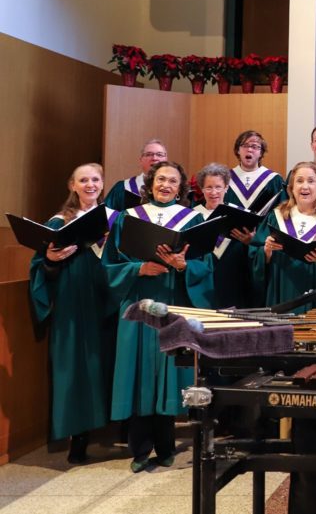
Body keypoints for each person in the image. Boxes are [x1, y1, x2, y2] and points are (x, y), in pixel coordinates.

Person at [103, 161, 215, 472]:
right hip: (138, 302)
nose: (166, 185)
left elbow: (205, 266)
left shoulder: (192, 220)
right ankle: (139, 450)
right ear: (150, 184)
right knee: (138, 371)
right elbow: (109, 265)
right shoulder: (128, 219)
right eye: (161, 179)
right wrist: (138, 268)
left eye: (173, 181)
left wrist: (182, 267)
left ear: (181, 188)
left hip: (173, 304)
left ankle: (165, 447)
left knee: (168, 369)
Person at [29, 163, 118, 463]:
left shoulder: (114, 221)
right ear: (72, 185)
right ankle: (77, 438)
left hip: (105, 301)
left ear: (103, 184)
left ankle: (110, 432)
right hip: (70, 303)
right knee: (72, 368)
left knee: (102, 363)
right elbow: (39, 268)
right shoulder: (57, 223)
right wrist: (51, 260)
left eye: (95, 179)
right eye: (83, 180)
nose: (90, 184)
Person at [250, 162, 316, 310]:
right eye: (299, 181)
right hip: (282, 295)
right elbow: (254, 257)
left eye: (311, 181)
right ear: (291, 188)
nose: (305, 186)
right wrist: (266, 252)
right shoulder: (276, 218)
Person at [193, 162, 256, 308]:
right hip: (203, 279)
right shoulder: (192, 215)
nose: (213, 192)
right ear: (202, 189)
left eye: (218, 187)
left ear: (226, 188)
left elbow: (253, 252)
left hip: (234, 276)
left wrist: (250, 242)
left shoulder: (239, 214)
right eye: (209, 187)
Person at [225, 130, 284, 213]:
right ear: (238, 150)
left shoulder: (274, 180)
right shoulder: (225, 178)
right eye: (245, 145)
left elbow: (281, 211)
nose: (249, 149)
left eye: (254, 146)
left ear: (261, 153)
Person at [105, 139, 167, 210]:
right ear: (141, 160)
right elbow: (105, 216)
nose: (154, 158)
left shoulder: (174, 190)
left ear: (166, 160)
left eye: (159, 154)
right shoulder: (123, 188)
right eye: (149, 154)